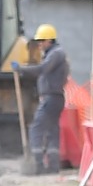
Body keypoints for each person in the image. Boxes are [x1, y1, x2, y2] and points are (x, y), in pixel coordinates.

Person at [24, 25, 70, 174]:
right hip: (55, 98)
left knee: (36, 129)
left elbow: (42, 69)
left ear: (49, 40)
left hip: (51, 98)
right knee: (52, 130)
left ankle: (37, 165)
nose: (39, 44)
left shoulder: (56, 54)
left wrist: (21, 69)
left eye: (41, 41)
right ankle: (53, 166)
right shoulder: (55, 54)